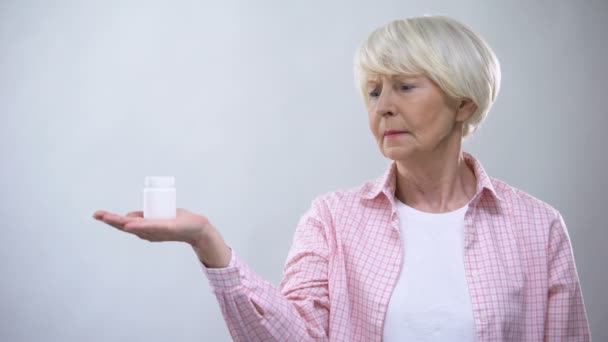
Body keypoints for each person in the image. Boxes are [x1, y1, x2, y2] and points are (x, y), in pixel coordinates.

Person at [93, 15, 591, 341]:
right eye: (373, 91)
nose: (384, 106)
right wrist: (208, 243)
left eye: (405, 86)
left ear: (464, 102)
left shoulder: (537, 226)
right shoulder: (333, 218)